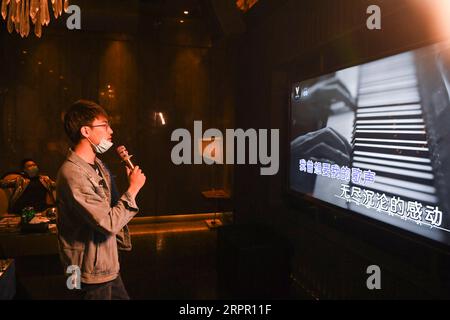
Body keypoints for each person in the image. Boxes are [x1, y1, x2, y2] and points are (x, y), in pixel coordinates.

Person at [56, 100, 146, 300]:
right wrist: (133, 189)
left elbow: (108, 207)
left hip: (104, 266)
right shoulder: (73, 173)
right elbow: (107, 223)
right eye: (104, 125)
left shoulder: (96, 164)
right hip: (84, 271)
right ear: (86, 131)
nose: (110, 130)